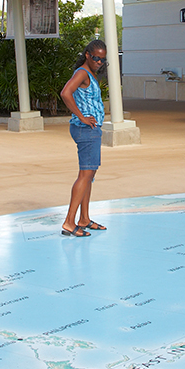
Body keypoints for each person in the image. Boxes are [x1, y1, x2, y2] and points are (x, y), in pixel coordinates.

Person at [59, 39, 108, 237]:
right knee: (85, 176)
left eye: (102, 59)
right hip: (86, 130)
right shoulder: (82, 73)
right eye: (96, 58)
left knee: (89, 176)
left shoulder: (90, 73)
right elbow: (65, 93)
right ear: (87, 54)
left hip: (91, 130)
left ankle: (84, 219)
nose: (99, 62)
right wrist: (81, 117)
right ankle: (69, 222)